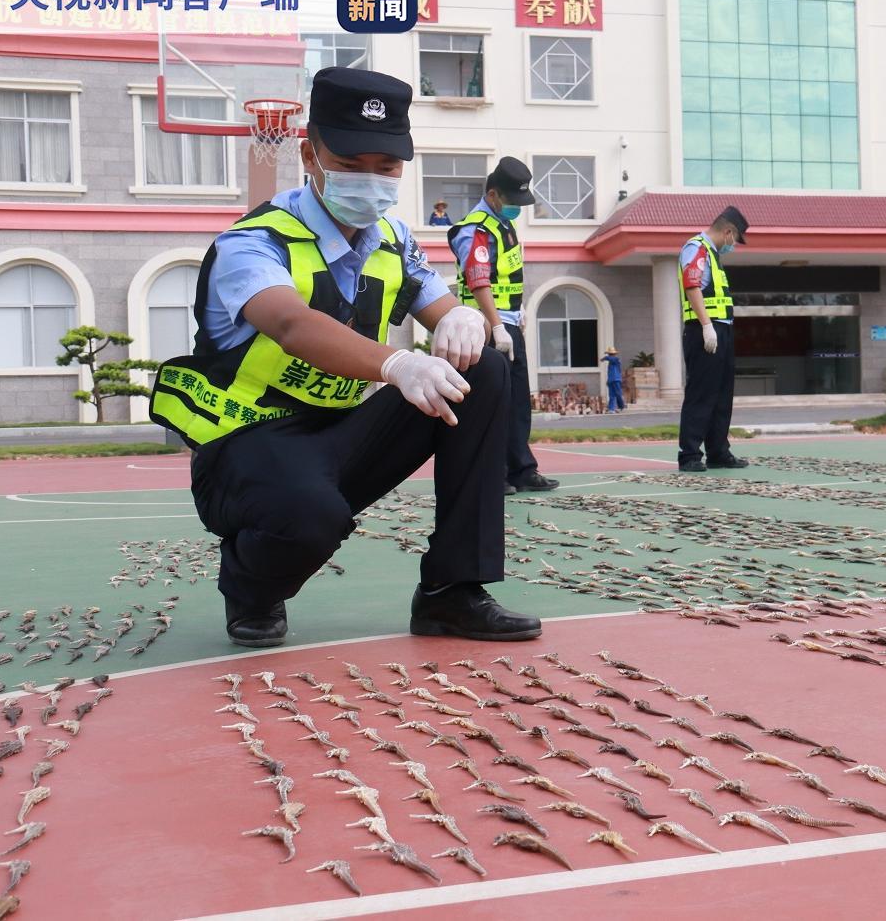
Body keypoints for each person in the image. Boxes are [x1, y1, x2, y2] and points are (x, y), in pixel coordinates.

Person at [149, 68, 540, 648]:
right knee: (310, 518)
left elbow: (438, 306)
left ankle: (451, 592)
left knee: (482, 370)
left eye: (386, 168)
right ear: (310, 153)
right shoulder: (253, 242)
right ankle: (250, 588)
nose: (371, 180)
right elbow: (290, 323)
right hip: (248, 447)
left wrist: (459, 317)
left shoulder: (393, 238)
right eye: (351, 164)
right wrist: (397, 364)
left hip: (341, 437)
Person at [449, 157, 558, 494]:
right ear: (493, 195)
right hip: (484, 328)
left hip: (508, 324)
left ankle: (521, 470)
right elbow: (479, 279)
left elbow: (506, 277)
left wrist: (517, 310)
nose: (516, 209)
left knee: (516, 402)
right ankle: (490, 474)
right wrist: (496, 326)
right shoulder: (476, 228)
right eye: (512, 202)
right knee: (490, 404)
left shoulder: (503, 225)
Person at [677, 206, 750, 472]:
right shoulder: (696, 248)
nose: (734, 245)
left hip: (722, 330)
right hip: (704, 331)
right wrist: (707, 326)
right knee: (701, 393)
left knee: (721, 394)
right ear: (728, 231)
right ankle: (689, 455)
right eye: (735, 239)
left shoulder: (713, 254)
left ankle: (718, 451)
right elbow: (692, 285)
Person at [602, 346, 625, 413]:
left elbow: (612, 359)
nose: (610, 355)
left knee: (618, 393)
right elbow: (610, 373)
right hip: (611, 380)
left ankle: (621, 406)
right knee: (611, 395)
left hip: (616, 379)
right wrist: (608, 380)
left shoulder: (616, 360)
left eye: (611, 354)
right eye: (609, 354)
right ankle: (611, 408)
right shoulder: (611, 362)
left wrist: (605, 358)